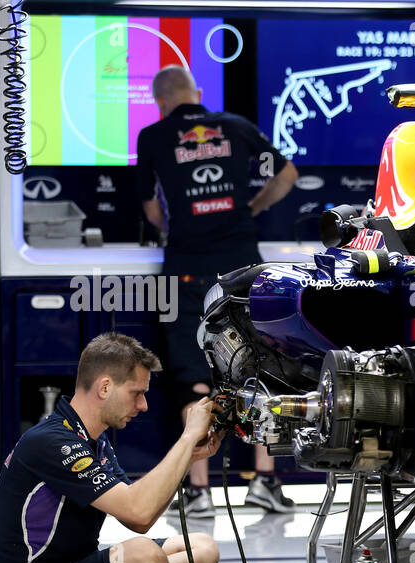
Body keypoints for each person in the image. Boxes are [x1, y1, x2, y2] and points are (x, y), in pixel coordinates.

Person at [0, 333, 243, 563]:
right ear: (105, 387)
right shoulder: (52, 442)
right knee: (144, 556)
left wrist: (189, 457)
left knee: (203, 547)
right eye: (137, 393)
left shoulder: (93, 440)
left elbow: (138, 521)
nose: (144, 404)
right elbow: (138, 512)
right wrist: (186, 437)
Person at [136, 65, 300, 515]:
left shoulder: (152, 137)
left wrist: (174, 224)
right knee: (259, 366)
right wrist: (250, 208)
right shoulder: (235, 126)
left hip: (186, 268)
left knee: (194, 373)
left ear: (160, 101)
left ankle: (198, 491)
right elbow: (287, 175)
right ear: (197, 93)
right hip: (242, 266)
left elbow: (150, 207)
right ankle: (265, 481)